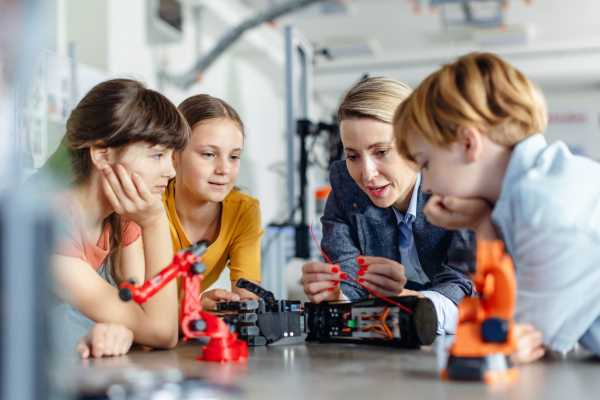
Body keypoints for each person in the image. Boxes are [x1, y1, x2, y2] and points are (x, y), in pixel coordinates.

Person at [392, 52, 600, 363]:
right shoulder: (528, 192)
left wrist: (507, 337)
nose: (428, 185)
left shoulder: (544, 205)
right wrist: (481, 222)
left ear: (468, 143)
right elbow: (504, 310)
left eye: (426, 164)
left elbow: (514, 335)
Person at [301, 77, 474, 334]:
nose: (367, 174)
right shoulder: (345, 185)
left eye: (381, 152)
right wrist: (336, 297)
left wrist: (407, 303)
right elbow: (349, 278)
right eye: (353, 156)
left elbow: (464, 284)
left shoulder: (460, 183)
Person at [45, 78, 189, 356]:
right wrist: (156, 222)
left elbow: (151, 317)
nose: (171, 172)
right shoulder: (51, 221)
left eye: (171, 157)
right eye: (158, 155)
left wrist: (123, 328)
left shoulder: (122, 217)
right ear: (102, 154)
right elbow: (161, 330)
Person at [163, 94, 263, 312]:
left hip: (173, 329)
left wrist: (236, 305)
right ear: (174, 155)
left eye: (234, 157)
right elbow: (142, 303)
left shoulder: (244, 211)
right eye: (209, 154)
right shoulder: (150, 207)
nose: (224, 169)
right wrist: (194, 308)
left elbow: (248, 299)